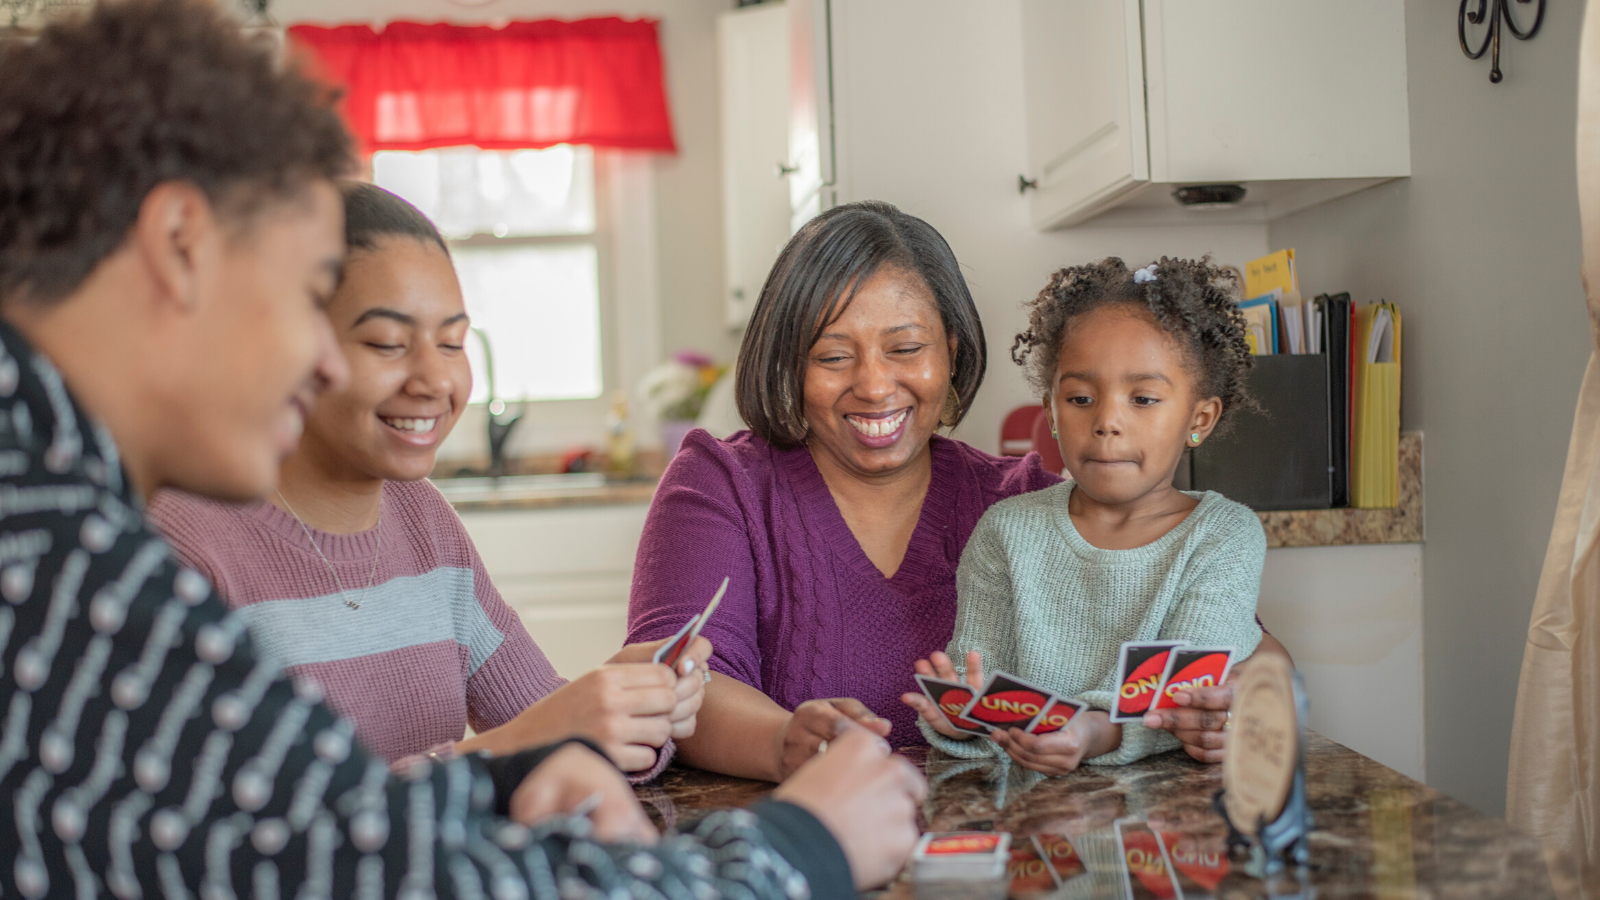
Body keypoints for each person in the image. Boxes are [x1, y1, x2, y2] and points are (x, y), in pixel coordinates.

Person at [0, 3, 925, 898]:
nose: (322, 360)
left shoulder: (57, 508)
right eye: (303, 294)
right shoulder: (55, 553)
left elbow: (300, 823)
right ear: (177, 246)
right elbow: (390, 877)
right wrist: (801, 845)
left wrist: (498, 782)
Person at [626, 201, 1289, 781]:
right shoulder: (723, 486)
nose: (876, 385)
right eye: (832, 356)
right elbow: (676, 680)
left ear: (950, 348)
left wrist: (1232, 711)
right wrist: (782, 744)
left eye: (905, 348)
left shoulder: (1026, 504)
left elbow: (1246, 653)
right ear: (788, 363)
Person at [149, 182, 697, 777]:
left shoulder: (424, 519)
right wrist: (516, 745)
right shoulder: (183, 540)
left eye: (452, 342)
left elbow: (544, 722)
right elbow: (261, 821)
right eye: (388, 343)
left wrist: (631, 707)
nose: (435, 379)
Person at [905, 257, 1266, 774]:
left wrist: (1089, 731)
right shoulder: (1006, 532)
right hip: (1026, 822)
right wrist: (962, 714)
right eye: (1079, 398)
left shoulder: (1224, 536)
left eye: (1143, 398)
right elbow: (976, 679)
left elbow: (1180, 693)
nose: (1107, 422)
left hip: (1162, 828)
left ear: (1199, 418)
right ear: (1051, 411)